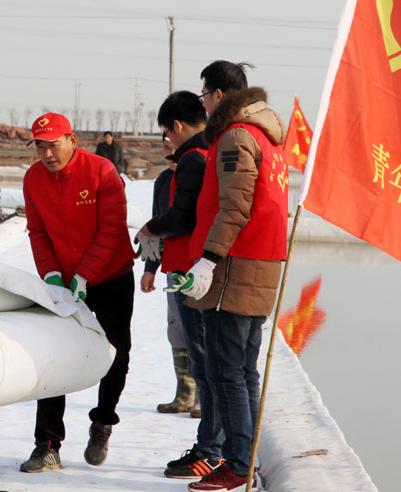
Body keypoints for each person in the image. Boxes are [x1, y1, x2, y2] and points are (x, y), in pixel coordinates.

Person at [171, 61, 288, 492]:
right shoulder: (266, 137)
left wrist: (207, 259)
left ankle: (238, 464)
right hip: (259, 261)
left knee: (226, 372)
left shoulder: (236, 137)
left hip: (235, 265)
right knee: (243, 370)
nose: (203, 103)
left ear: (218, 95)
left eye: (204, 95)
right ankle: (245, 458)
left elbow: (234, 208)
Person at [19, 112, 135, 472]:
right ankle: (47, 444)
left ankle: (102, 421)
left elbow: (112, 228)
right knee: (55, 356)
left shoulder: (101, 171)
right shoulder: (33, 178)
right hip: (64, 282)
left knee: (115, 352)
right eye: (40, 147)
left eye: (53, 145)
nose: (47, 154)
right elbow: (38, 231)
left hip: (111, 276)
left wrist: (85, 275)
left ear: (71, 140)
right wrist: (52, 275)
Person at [137, 91, 225, 480]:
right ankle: (216, 447)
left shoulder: (193, 158)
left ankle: (212, 451)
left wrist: (149, 229)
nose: (167, 142)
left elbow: (181, 217)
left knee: (208, 365)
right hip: (196, 267)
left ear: (176, 126)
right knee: (209, 362)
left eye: (167, 134)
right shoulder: (212, 152)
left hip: (192, 270)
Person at [137, 131, 199, 418]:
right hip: (173, 265)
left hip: (198, 265)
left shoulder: (198, 173)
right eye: (165, 146)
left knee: (200, 332)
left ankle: (202, 397)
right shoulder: (163, 181)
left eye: (173, 144)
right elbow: (157, 225)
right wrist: (150, 268)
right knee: (177, 329)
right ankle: (184, 394)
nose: (170, 151)